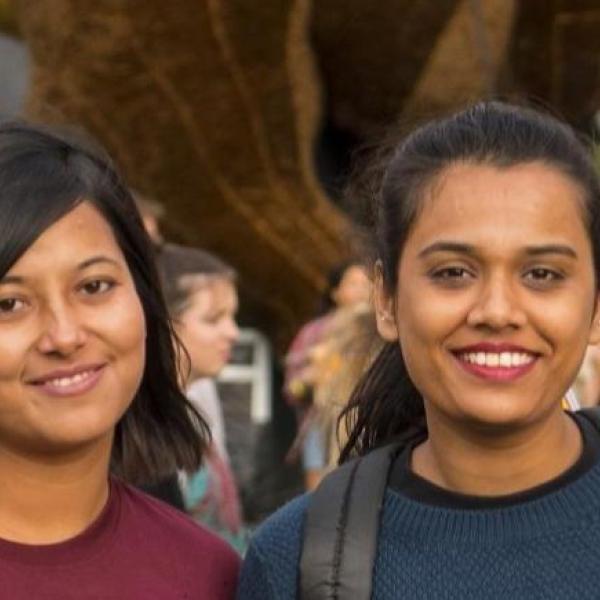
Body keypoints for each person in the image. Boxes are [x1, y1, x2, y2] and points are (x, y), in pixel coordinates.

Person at [237, 101, 600, 599]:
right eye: (453, 272)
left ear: (596, 307)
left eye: (542, 275)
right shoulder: (295, 559)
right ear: (386, 301)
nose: (497, 310)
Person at [0, 121, 239, 598]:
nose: (64, 337)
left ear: (145, 298)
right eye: (9, 304)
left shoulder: (208, 574)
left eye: (94, 287)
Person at [158, 242, 247, 553]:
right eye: (213, 319)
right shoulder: (149, 430)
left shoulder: (188, 408)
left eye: (232, 317)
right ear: (163, 324)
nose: (232, 333)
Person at [283, 262, 370, 490]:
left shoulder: (383, 329)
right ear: (335, 293)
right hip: (321, 419)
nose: (362, 290)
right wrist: (308, 381)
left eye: (366, 283)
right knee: (319, 487)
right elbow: (293, 389)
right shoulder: (314, 333)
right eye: (353, 283)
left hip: (366, 419)